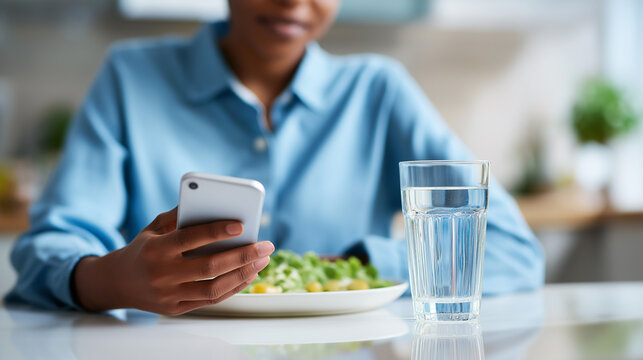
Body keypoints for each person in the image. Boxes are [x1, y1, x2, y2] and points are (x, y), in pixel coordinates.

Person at [6, 0, 544, 315]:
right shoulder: (131, 77)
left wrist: (355, 268)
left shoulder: (378, 91)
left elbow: (514, 251)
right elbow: (46, 250)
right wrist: (111, 280)